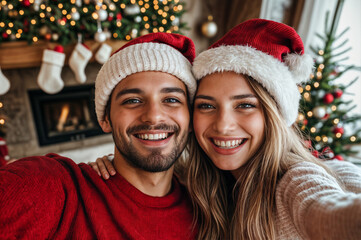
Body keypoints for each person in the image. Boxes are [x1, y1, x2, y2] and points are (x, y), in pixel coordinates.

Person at [92, 19, 361, 239]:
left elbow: (326, 210)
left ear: (274, 115)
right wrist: (116, 161)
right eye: (207, 106)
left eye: (244, 105)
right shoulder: (196, 179)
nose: (222, 125)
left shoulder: (295, 179)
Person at [0, 32, 198, 239]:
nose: (154, 116)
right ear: (105, 119)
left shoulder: (207, 206)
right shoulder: (56, 188)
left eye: (172, 100)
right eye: (132, 100)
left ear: (191, 117)